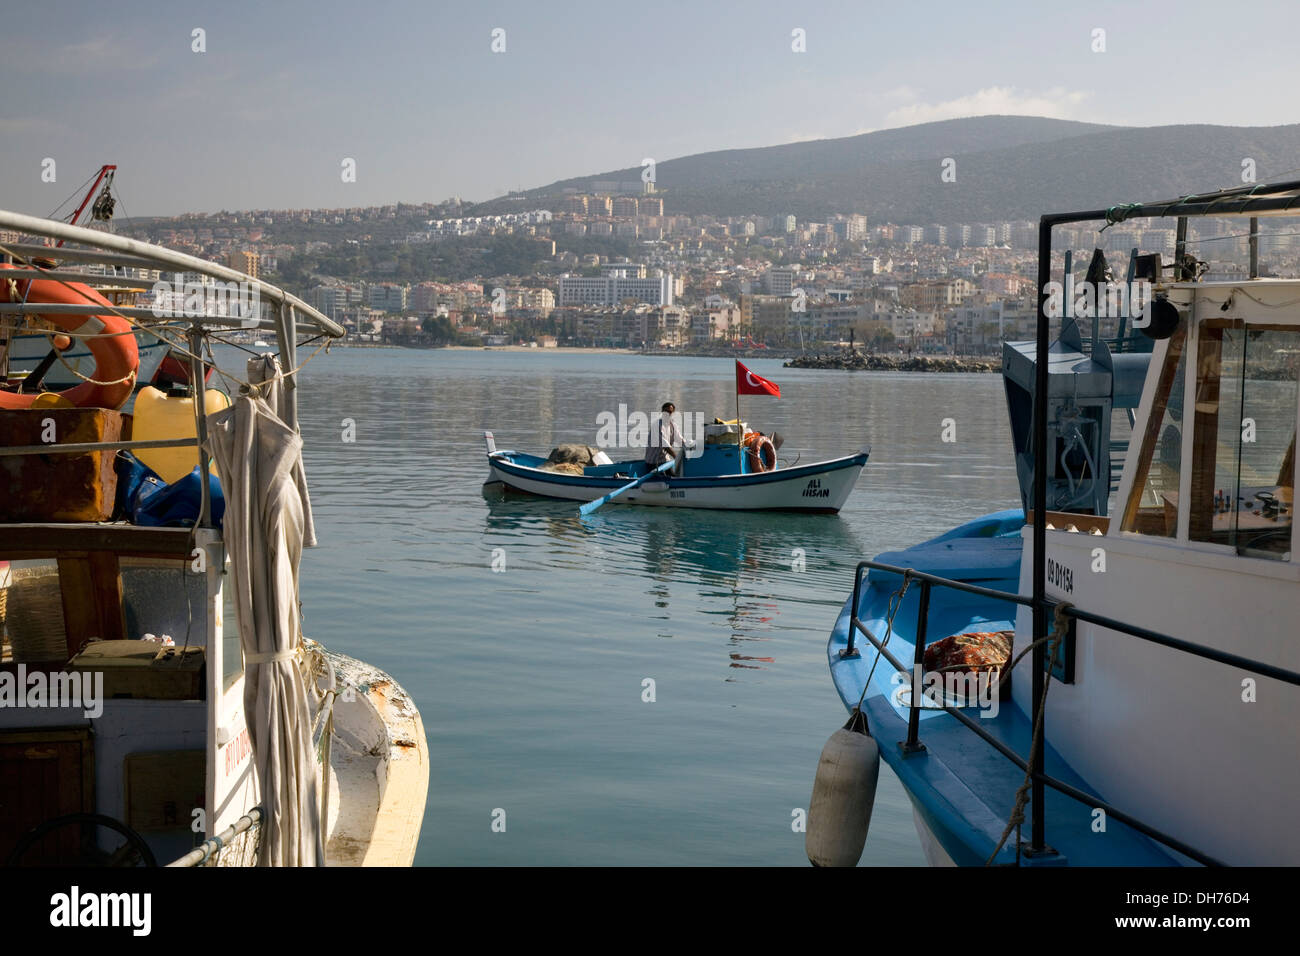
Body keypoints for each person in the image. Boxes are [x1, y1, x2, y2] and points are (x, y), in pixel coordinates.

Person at [645, 401, 691, 470]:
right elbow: (666, 446)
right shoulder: (657, 426)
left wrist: (689, 449)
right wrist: (676, 457)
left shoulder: (673, 425)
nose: (667, 414)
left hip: (665, 461)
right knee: (673, 476)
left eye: (669, 412)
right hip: (653, 462)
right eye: (665, 411)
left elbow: (681, 441)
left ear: (672, 414)